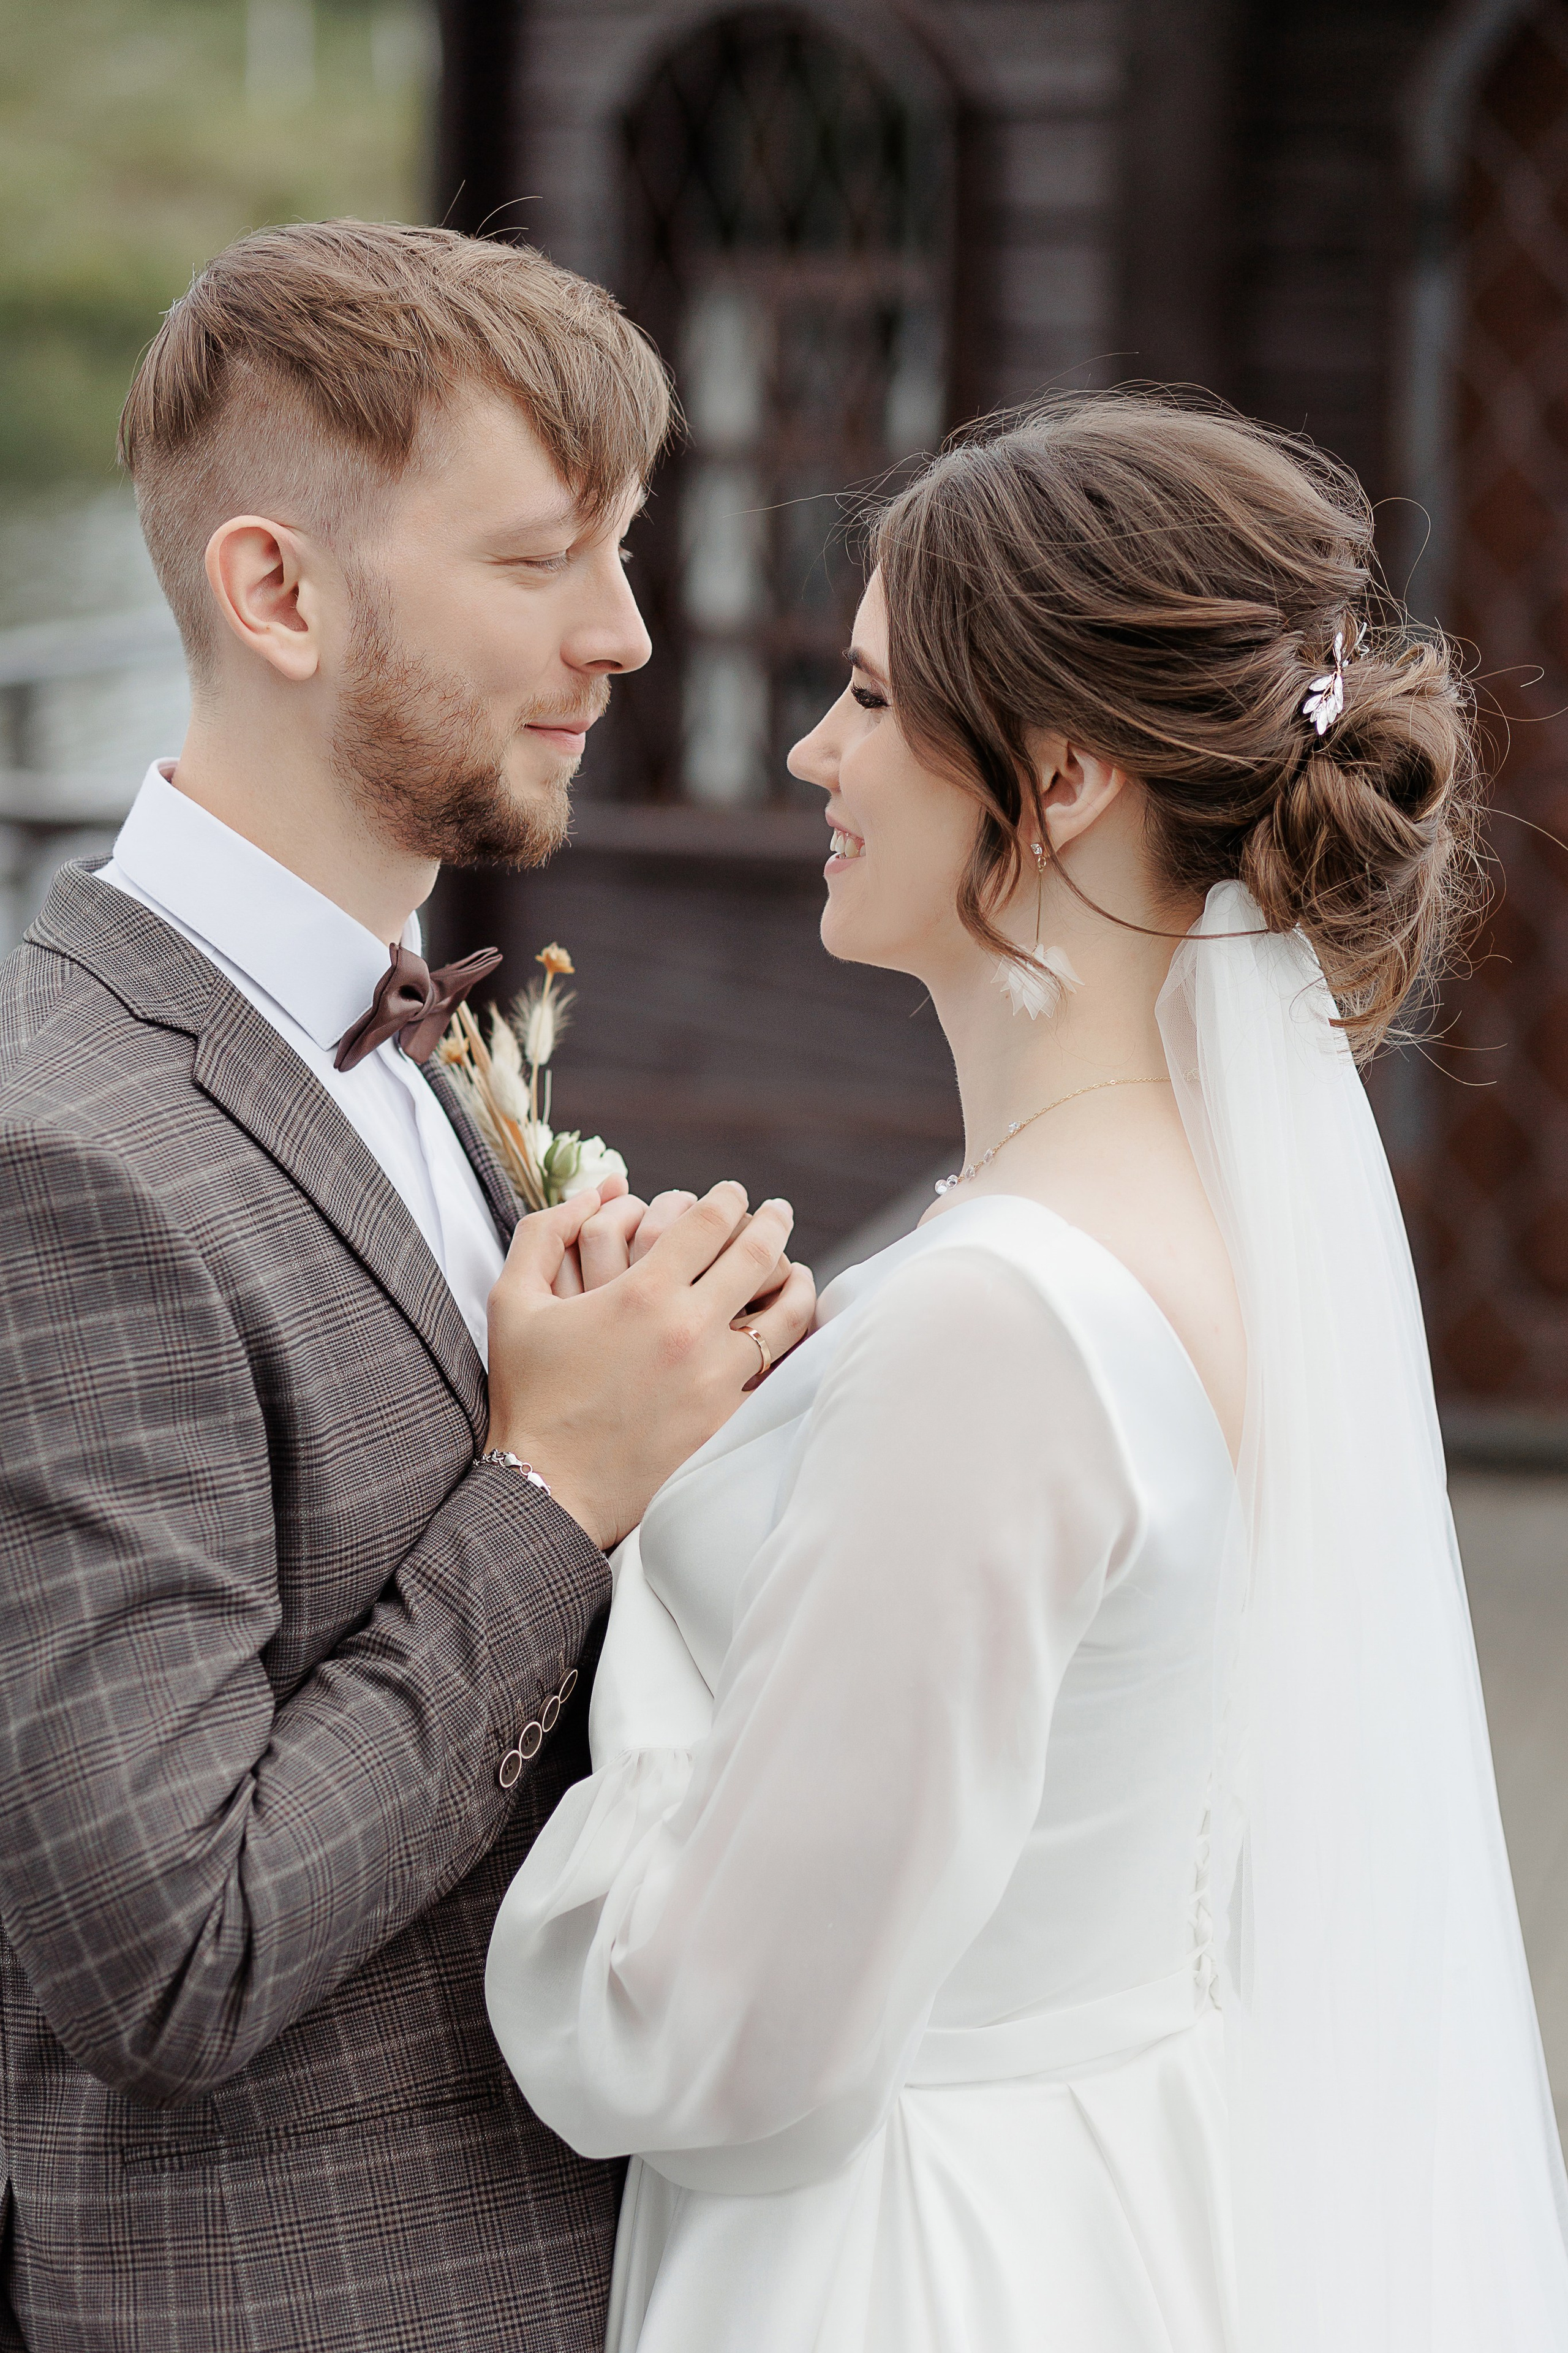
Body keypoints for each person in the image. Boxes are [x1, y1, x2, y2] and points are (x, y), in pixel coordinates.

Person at [486, 394, 1568, 2352]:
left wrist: (588, 1502)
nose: (817, 751)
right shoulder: (1198, 1219)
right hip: (1117, 2190)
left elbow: (720, 2026)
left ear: (1057, 777)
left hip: (909, 2260)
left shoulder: (1001, 1322)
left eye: (879, 703)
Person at [0, 219, 814, 2352]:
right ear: (278, 590)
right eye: (543, 559)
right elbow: (166, 1948)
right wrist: (554, 1491)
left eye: (624, 551)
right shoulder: (63, 1156)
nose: (625, 633)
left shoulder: (430, 1035)